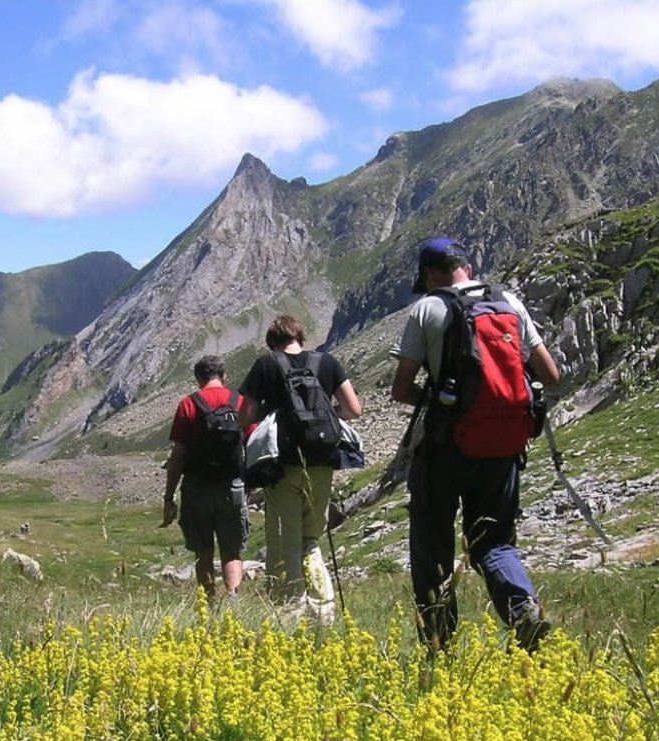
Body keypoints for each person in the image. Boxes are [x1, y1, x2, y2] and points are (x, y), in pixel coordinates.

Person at [390, 237, 560, 652]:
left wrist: (443, 401)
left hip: (444, 448)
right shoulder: (509, 302)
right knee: (495, 541)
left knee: (433, 546)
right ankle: (523, 611)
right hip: (503, 448)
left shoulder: (428, 308)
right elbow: (551, 375)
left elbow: (401, 388)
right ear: (466, 264)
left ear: (431, 275)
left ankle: (438, 643)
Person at [238, 315, 362, 619]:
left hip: (283, 465)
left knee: (284, 545)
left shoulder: (266, 365)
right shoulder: (328, 362)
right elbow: (353, 410)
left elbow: (244, 416)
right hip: (322, 463)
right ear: (300, 336)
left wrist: (273, 411)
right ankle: (324, 612)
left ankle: (288, 616)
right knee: (310, 540)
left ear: (272, 342)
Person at [162, 354, 249, 597]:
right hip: (232, 487)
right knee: (232, 552)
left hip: (197, 488)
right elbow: (253, 441)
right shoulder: (239, 401)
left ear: (198, 378)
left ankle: (208, 605)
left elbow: (178, 455)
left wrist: (169, 498)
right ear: (224, 376)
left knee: (203, 552)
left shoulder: (189, 404)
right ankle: (234, 601)